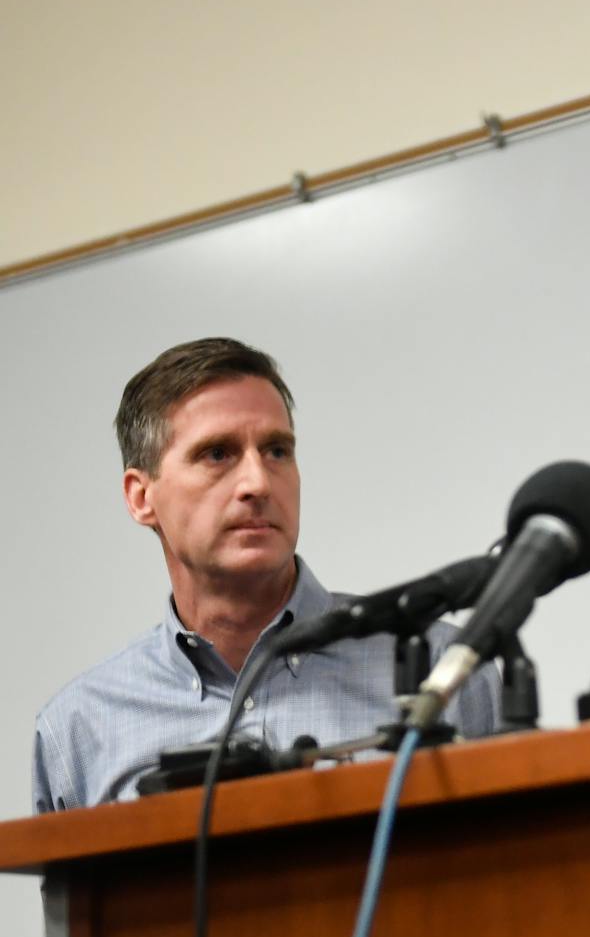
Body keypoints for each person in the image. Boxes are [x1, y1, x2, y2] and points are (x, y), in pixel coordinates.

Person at [33, 338, 500, 811]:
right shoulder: (78, 728)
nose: (257, 483)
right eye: (217, 454)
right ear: (141, 497)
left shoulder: (444, 670)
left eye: (277, 450)